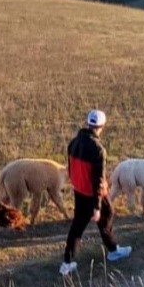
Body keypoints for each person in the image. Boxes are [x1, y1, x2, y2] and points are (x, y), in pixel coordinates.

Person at [61, 109, 131, 276]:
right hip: (93, 193)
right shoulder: (98, 149)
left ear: (88, 123)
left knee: (77, 226)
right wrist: (97, 206)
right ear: (102, 126)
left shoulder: (73, 142)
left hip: (79, 190)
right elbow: (99, 180)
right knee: (107, 215)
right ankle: (113, 251)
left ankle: (66, 263)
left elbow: (71, 169)